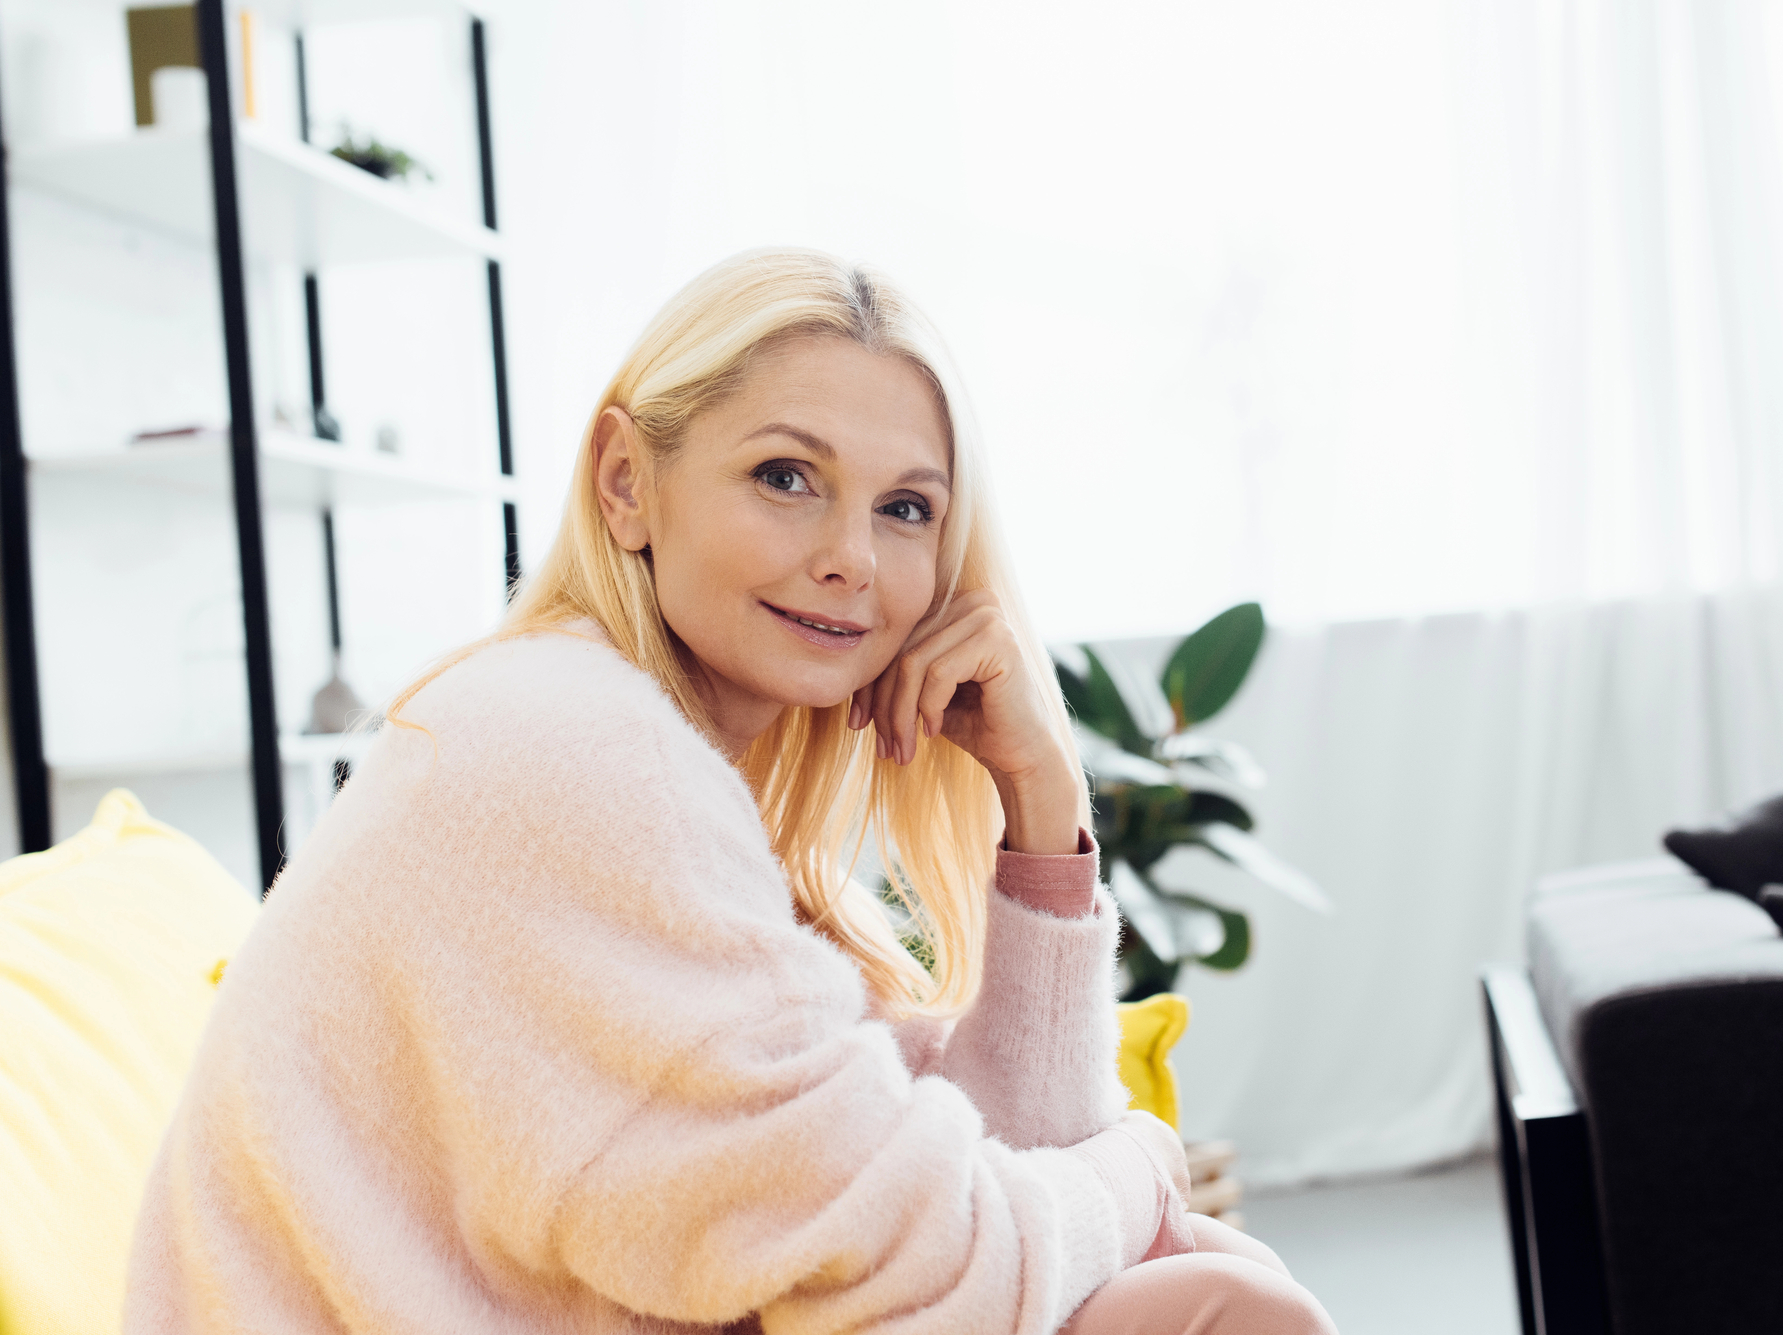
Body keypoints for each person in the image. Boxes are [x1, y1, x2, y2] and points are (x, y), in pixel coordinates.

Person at [126, 249, 1336, 1335]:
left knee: (1199, 1276)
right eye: (784, 476)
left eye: (904, 508)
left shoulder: (655, 766)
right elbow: (945, 1273)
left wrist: (1042, 800)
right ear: (624, 483)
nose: (851, 558)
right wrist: (1143, 1170)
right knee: (1211, 1299)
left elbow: (981, 1176)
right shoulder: (570, 749)